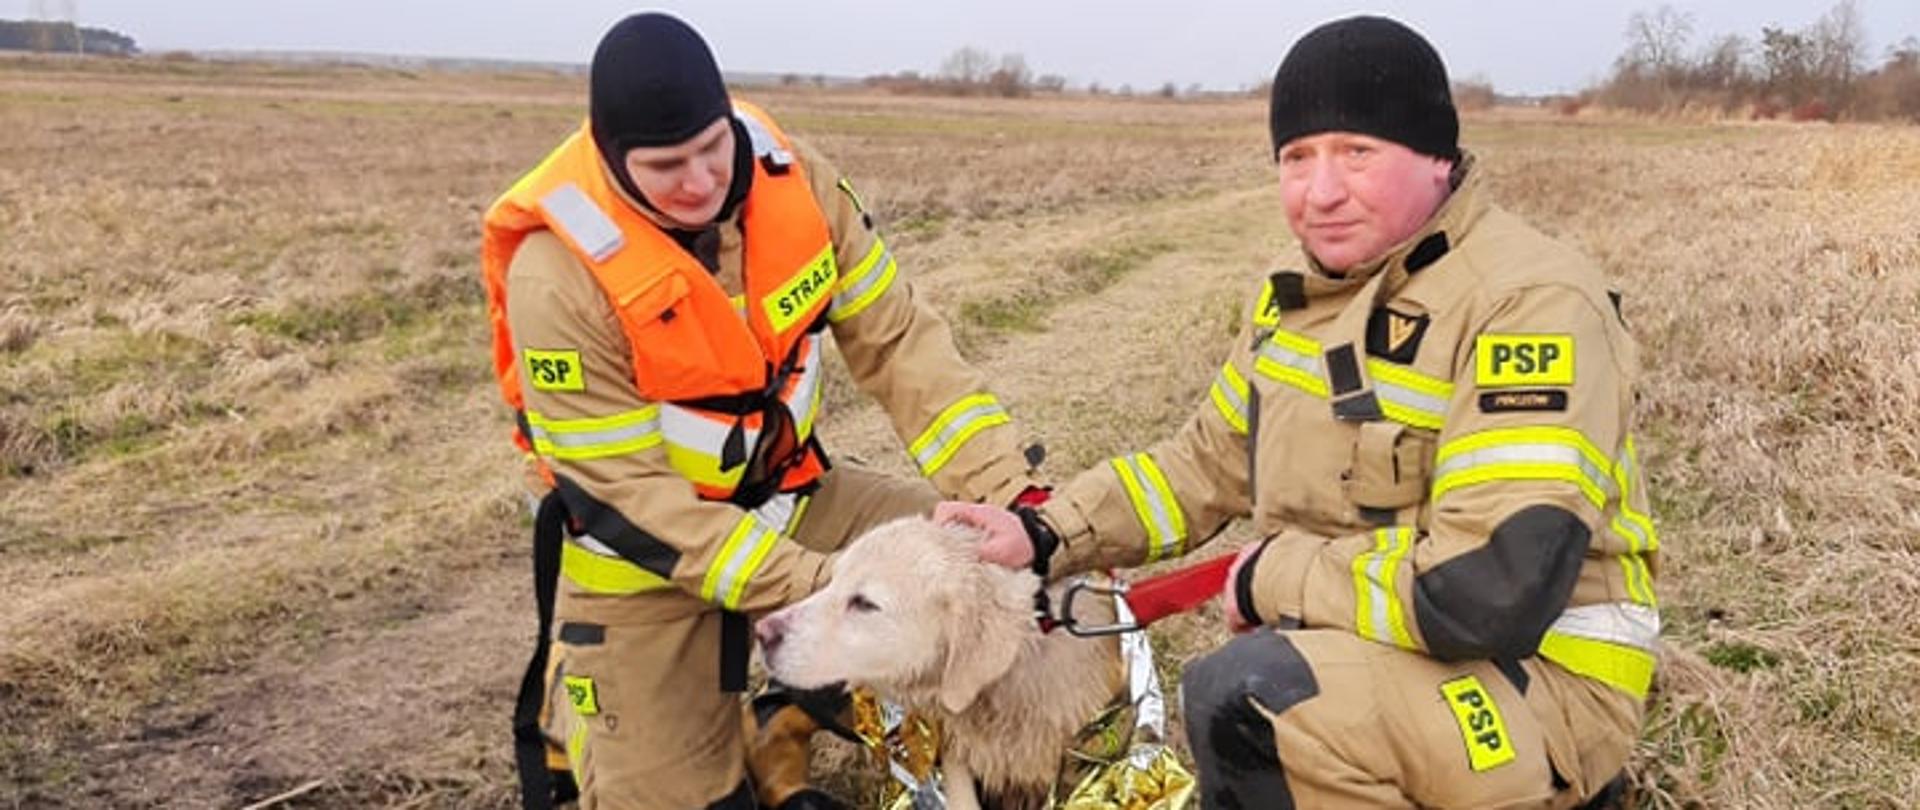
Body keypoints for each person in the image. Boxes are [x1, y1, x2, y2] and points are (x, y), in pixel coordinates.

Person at [940, 15, 1659, 810]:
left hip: (1540, 685)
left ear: (1437, 156)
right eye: (1297, 157)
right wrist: (1044, 535)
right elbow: (1204, 463)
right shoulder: (1297, 297)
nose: (1321, 192)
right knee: (1261, 693)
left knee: (1255, 701)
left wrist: (1273, 576)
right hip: (1386, 654)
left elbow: (1488, 590)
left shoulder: (1528, 305)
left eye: (1357, 152)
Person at [480, 13, 1042, 810]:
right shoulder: (558, 277)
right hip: (648, 563)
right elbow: (633, 502)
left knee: (985, 598)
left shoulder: (799, 185)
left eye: (712, 147)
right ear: (609, 156)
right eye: (666, 166)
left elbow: (901, 347)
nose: (700, 180)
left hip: (795, 498)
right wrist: (834, 588)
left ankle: (799, 716)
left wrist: (1014, 497)